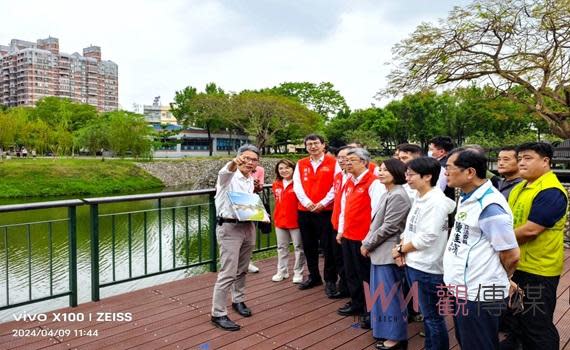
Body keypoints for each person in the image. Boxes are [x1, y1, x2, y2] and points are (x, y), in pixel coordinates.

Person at [443, 148, 520, 349]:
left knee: (479, 344)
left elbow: (511, 255)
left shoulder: (490, 206)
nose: (445, 173)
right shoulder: (469, 196)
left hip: (480, 292)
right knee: (468, 341)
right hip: (464, 288)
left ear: (470, 172)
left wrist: (505, 278)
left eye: (449, 168)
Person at [501, 142, 568, 350]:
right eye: (520, 158)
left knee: (537, 324)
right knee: (516, 319)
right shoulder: (520, 187)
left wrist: (495, 243)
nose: (522, 162)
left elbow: (531, 230)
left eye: (528, 158)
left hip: (538, 270)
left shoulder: (551, 191)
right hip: (516, 265)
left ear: (546, 161)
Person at [392, 157, 456, 350]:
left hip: (427, 267)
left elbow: (427, 237)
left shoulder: (435, 202)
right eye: (406, 174)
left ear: (427, 176)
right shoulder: (420, 197)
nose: (407, 178)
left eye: (411, 174)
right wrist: (401, 247)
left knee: (432, 317)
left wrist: (400, 249)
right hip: (415, 262)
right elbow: (411, 229)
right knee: (428, 316)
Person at [361, 158, 411, 350]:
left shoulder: (398, 195)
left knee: (389, 295)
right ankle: (383, 330)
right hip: (379, 251)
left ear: (396, 173)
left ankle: (396, 336)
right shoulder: (387, 193)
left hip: (387, 252)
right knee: (380, 294)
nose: (380, 173)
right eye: (380, 169)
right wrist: (367, 241)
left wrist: (368, 243)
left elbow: (390, 227)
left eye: (385, 170)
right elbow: (376, 223)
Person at [210, 144, 262, 331]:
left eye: (253, 160)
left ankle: (238, 300)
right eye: (245, 158)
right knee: (228, 272)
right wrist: (234, 162)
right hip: (229, 227)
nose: (249, 162)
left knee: (242, 269)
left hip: (248, 225)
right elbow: (226, 171)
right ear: (239, 158)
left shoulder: (250, 179)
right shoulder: (228, 176)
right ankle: (218, 313)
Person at [336, 148, 384, 329]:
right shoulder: (348, 181)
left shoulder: (374, 182)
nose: (347, 163)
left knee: (365, 275)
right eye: (346, 160)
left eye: (352, 160)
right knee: (351, 273)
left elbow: (377, 214)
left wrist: (370, 239)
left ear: (364, 162)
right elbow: (343, 208)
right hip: (348, 235)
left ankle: (370, 310)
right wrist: (341, 230)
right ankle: (356, 304)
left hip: (363, 238)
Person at [294, 134, 344, 297]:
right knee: (309, 245)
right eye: (309, 144)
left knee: (329, 247)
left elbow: (336, 185)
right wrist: (308, 203)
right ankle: (314, 276)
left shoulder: (334, 163)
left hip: (326, 211)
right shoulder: (301, 163)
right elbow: (298, 185)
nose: (313, 147)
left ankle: (330, 279)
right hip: (305, 210)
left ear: (323, 145)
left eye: (316, 143)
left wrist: (322, 203)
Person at [271, 159, 306, 283]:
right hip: (280, 221)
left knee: (298, 247)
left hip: (296, 221)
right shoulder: (276, 184)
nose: (284, 171)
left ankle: (298, 272)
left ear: (293, 169)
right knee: (281, 247)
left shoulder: (299, 183)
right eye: (281, 168)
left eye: (287, 168)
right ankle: (282, 271)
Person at [248, 165, 265, 274]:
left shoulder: (259, 169)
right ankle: (234, 263)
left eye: (254, 159)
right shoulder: (235, 168)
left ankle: (248, 262)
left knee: (251, 233)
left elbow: (260, 188)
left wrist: (257, 185)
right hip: (236, 202)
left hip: (253, 202)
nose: (251, 162)